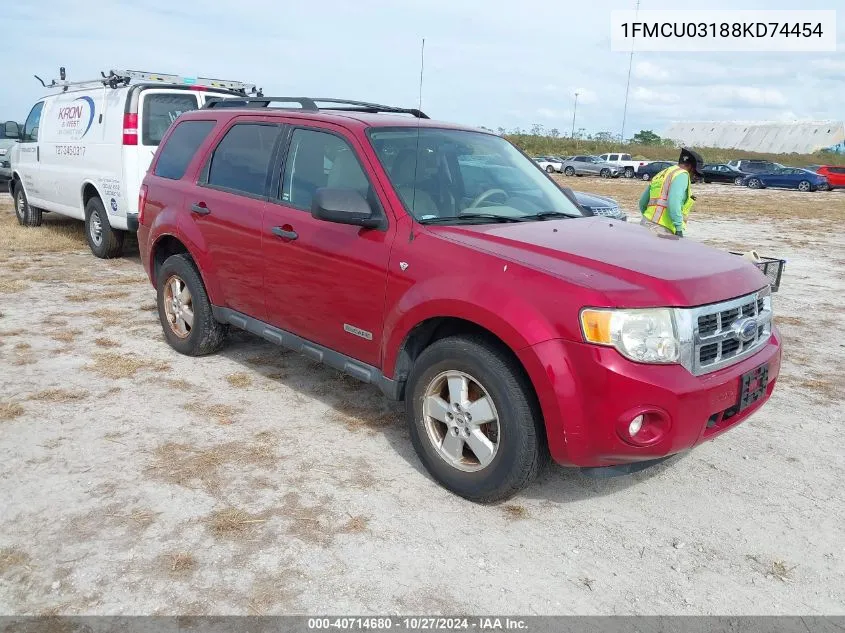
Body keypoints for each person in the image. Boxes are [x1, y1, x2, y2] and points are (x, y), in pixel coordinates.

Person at [639, 148, 704, 237]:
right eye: (695, 172)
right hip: (661, 229)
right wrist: (678, 228)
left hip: (646, 223)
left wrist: (647, 217)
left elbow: (642, 202)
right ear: (690, 167)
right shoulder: (682, 174)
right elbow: (674, 202)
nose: (694, 176)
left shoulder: (662, 173)